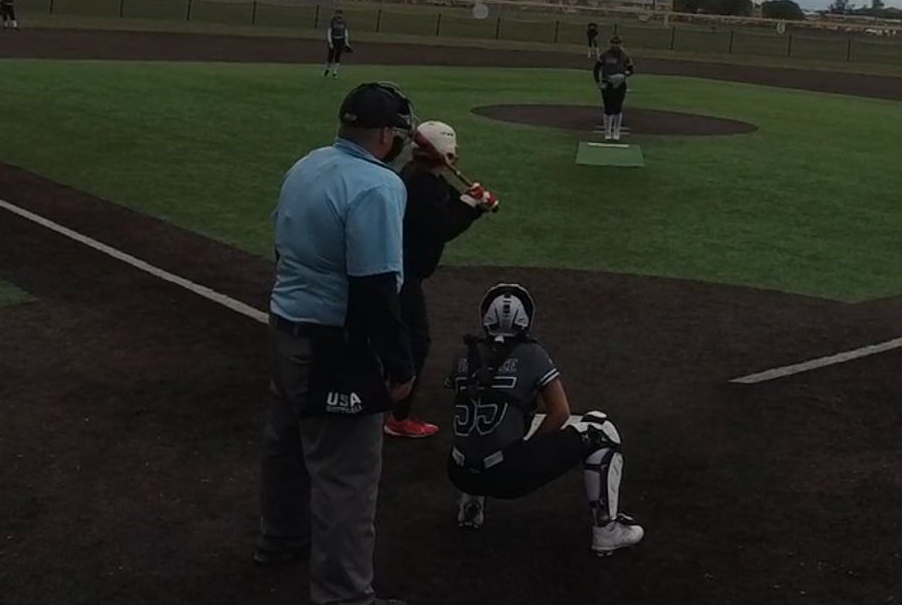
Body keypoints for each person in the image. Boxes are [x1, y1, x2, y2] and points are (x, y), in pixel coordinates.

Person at [254, 81, 418, 605]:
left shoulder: (308, 164)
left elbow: (281, 247)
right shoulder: (378, 186)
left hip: (286, 325)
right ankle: (344, 595)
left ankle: (280, 538)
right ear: (386, 134)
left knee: (285, 446)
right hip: (335, 345)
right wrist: (399, 364)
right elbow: (376, 286)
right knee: (346, 476)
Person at [445, 283, 645, 557]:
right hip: (506, 477)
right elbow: (560, 412)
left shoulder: (462, 355)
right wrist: (528, 450)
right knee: (600, 431)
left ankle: (471, 506)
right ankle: (606, 530)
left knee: (485, 417)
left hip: (458, 472)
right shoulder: (532, 354)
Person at [385, 120, 499, 440]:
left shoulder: (426, 178)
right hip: (401, 272)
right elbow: (443, 226)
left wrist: (474, 201)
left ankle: (387, 391)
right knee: (416, 340)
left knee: (400, 335)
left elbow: (451, 201)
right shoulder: (418, 184)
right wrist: (472, 206)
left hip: (404, 270)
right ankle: (398, 416)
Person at [592, 35, 634, 141]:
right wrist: (598, 82)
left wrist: (623, 75)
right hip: (607, 84)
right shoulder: (604, 56)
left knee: (618, 108)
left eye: (617, 43)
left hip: (620, 84)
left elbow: (631, 70)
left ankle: (616, 132)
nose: (615, 46)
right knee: (608, 108)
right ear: (610, 44)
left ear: (621, 44)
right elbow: (596, 69)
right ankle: (607, 132)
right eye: (613, 43)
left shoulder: (625, 56)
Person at [324, 11, 353, 78]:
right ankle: (327, 69)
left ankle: (335, 72)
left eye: (340, 14)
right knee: (330, 55)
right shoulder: (333, 21)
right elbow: (329, 31)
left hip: (341, 40)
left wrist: (346, 43)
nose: (339, 16)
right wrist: (330, 42)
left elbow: (345, 32)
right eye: (338, 14)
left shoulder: (344, 22)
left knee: (338, 55)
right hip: (334, 39)